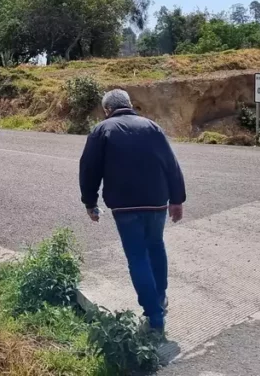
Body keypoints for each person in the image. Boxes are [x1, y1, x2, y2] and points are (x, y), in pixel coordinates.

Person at [79, 89, 186, 336]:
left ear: (107, 110)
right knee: (156, 247)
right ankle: (159, 299)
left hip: (124, 205)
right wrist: (177, 200)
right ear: (130, 104)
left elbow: (89, 169)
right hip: (157, 201)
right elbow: (171, 164)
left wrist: (90, 202)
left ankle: (154, 317)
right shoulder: (151, 127)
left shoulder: (101, 130)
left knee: (137, 257)